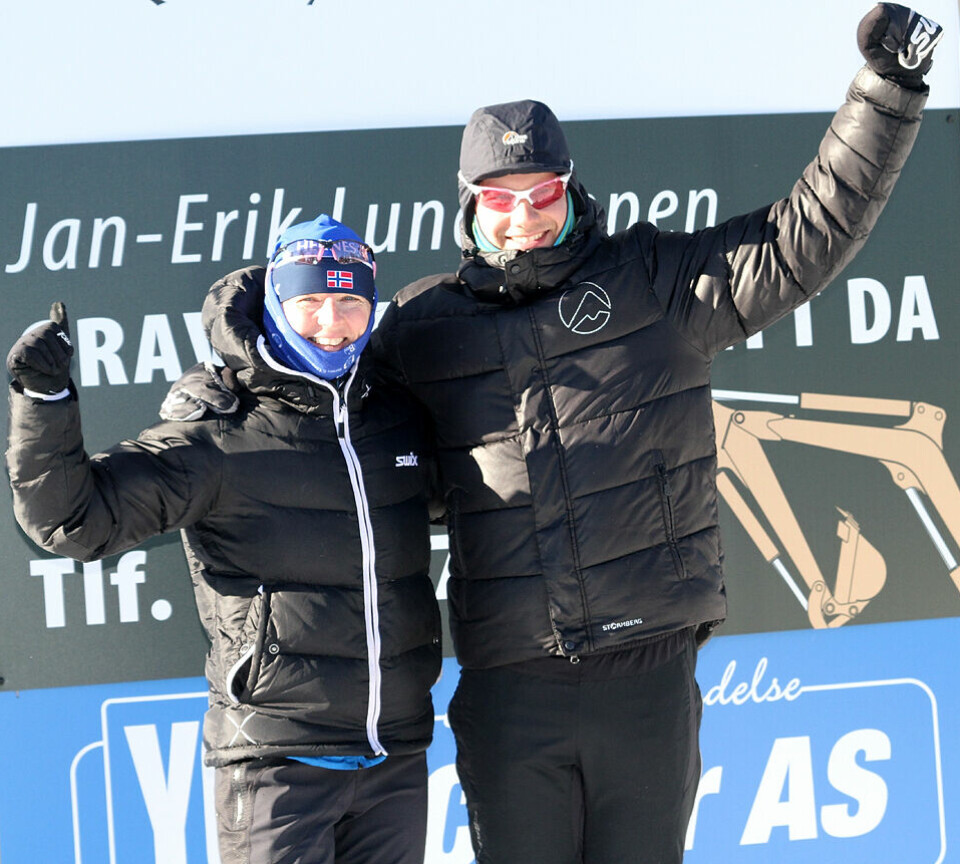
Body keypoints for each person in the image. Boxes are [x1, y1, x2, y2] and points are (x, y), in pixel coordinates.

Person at [164, 5, 943, 862]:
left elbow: (802, 237)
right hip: (512, 684)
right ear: (469, 206)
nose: (522, 217)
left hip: (645, 674)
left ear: (570, 191)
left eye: (542, 195)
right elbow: (320, 401)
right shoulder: (423, 328)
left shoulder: (653, 285)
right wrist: (219, 390)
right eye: (500, 199)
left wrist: (887, 91)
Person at [6, 215, 441, 864]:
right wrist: (45, 399)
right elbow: (74, 522)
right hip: (277, 758)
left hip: (394, 755)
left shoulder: (393, 417)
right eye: (310, 302)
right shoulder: (221, 432)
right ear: (273, 307)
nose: (332, 322)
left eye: (350, 301)